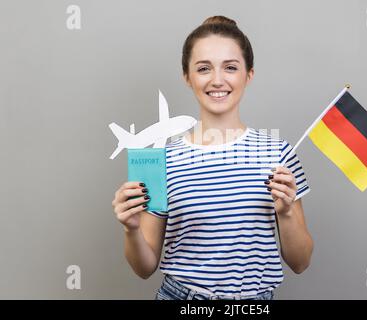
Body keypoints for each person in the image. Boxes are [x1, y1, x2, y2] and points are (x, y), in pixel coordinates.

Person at [111, 15, 314, 300]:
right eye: (203, 68)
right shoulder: (159, 162)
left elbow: (301, 262)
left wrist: (287, 211)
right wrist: (131, 229)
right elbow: (144, 268)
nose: (217, 80)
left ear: (249, 74)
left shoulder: (278, 154)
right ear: (187, 76)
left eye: (230, 67)